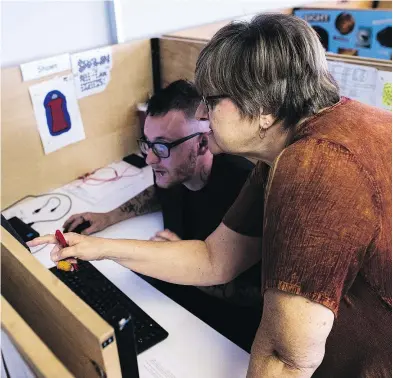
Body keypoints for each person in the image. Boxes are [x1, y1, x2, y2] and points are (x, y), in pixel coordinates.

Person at [28, 14, 391, 378]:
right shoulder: (283, 152)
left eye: (212, 100)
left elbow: (287, 360)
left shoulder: (315, 166)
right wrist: (100, 248)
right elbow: (214, 259)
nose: (202, 114)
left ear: (263, 109)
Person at [63, 79, 261, 310]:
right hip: (168, 296)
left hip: (214, 322)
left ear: (202, 144)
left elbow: (257, 297)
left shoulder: (246, 193)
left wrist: (184, 263)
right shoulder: (175, 173)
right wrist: (109, 216)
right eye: (148, 144)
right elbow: (158, 193)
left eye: (163, 146)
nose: (150, 159)